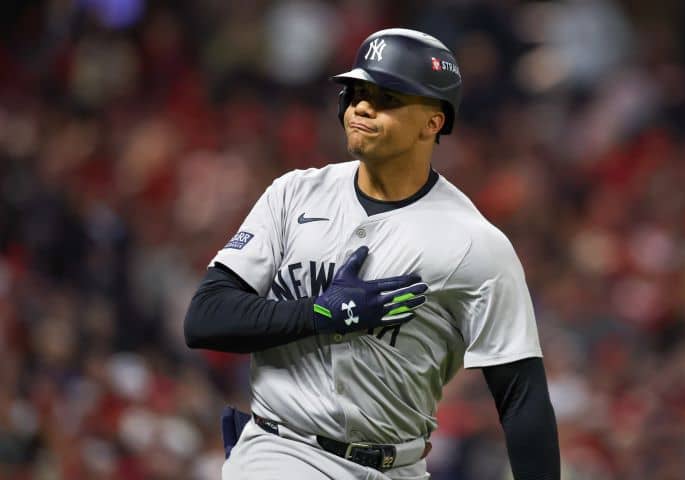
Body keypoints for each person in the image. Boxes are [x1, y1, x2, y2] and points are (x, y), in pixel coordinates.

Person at [184, 28, 560, 480]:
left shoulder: (475, 244)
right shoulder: (294, 194)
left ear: (433, 122)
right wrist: (321, 313)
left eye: (387, 98)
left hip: (399, 466)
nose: (362, 107)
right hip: (284, 450)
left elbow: (521, 397)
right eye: (356, 93)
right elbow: (205, 318)